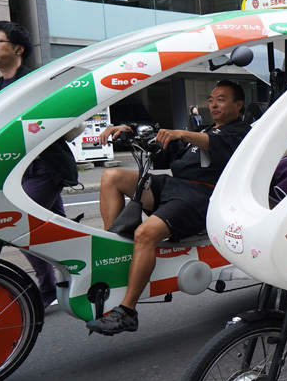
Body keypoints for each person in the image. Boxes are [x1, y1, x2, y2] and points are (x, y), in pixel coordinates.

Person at [86, 80, 250, 334]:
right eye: (211, 99)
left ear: (238, 105)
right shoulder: (205, 129)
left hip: (200, 196)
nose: (213, 104)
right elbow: (163, 150)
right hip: (174, 186)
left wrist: (181, 133)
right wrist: (128, 131)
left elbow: (211, 144)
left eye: (221, 99)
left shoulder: (242, 133)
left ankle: (128, 312)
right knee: (112, 177)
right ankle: (117, 251)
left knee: (145, 233)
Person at [0, 21, 79, 309]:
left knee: (18, 224)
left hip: (46, 168)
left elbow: (64, 119)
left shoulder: (36, 82)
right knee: (57, 230)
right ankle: (79, 272)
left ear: (18, 48)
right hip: (15, 172)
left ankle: (48, 288)